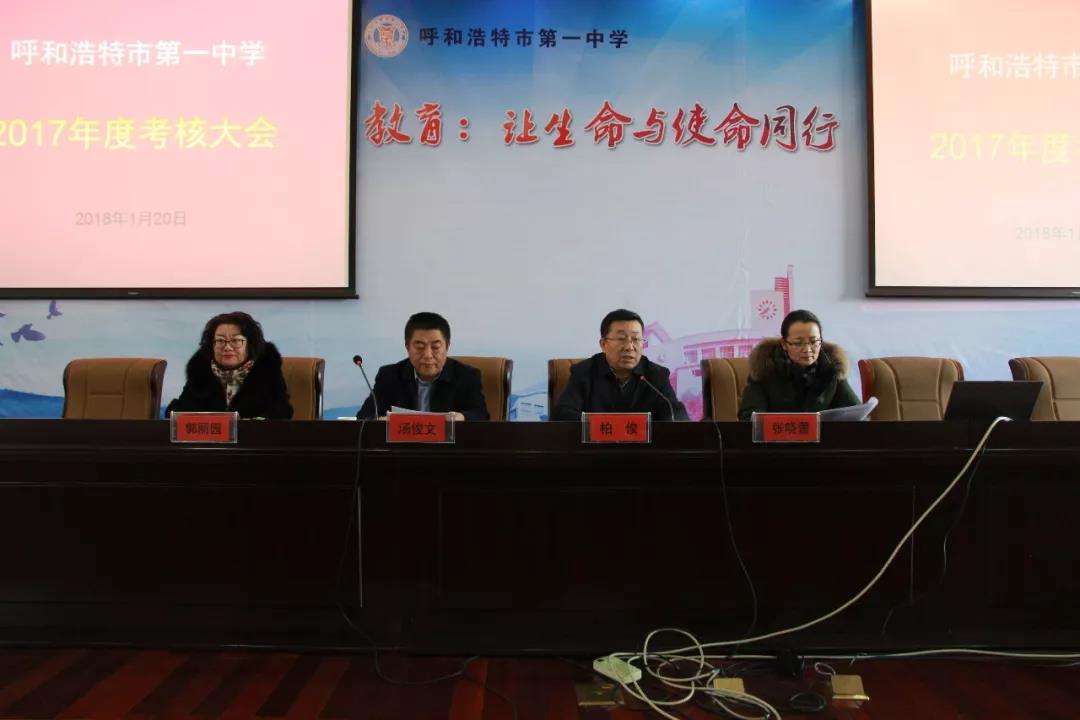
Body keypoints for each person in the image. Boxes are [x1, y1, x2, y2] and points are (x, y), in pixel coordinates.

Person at [552, 308, 688, 421]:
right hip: (596, 445)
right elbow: (564, 413)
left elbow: (676, 414)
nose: (629, 347)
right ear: (603, 344)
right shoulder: (584, 372)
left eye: (636, 339)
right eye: (622, 339)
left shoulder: (656, 375)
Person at [357, 312, 489, 421]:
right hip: (402, 445)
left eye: (435, 347)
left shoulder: (466, 376)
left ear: (447, 347)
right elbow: (364, 416)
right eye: (420, 347)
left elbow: (481, 415)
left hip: (449, 445)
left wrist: (462, 417)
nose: (428, 355)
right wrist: (381, 421)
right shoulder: (389, 375)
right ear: (407, 347)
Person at [166, 311, 293, 419]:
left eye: (236, 340)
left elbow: (282, 411)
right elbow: (179, 412)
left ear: (250, 345)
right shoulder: (200, 371)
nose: (227, 347)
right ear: (212, 345)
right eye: (220, 341)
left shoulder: (266, 369)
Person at [738, 309, 859, 420]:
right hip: (779, 436)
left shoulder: (831, 367)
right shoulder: (765, 368)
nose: (807, 349)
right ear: (784, 344)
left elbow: (856, 412)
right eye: (798, 343)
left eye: (814, 342)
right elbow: (750, 417)